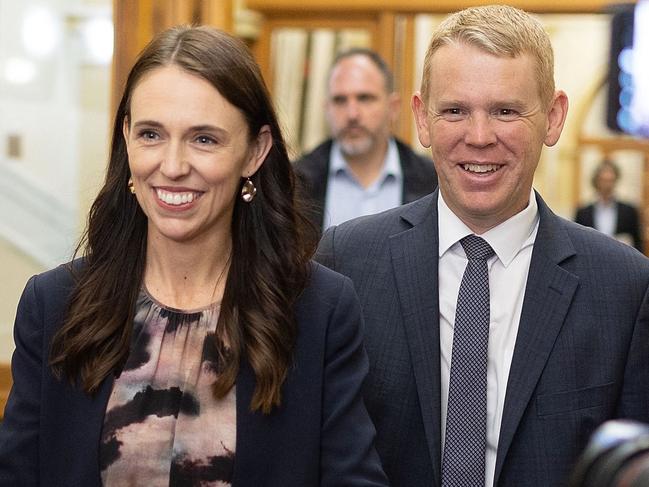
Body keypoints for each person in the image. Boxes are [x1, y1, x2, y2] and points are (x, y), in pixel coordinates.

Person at [0, 26, 388, 487]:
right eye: (151, 134)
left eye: (204, 139)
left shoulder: (319, 310)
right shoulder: (54, 304)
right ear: (126, 137)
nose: (173, 165)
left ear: (255, 151)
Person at [316, 5, 649, 487]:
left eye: (506, 111)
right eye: (454, 111)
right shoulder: (345, 262)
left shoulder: (624, 287)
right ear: (422, 119)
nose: (478, 137)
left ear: (553, 118)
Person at [294, 48, 437, 232]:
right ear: (326, 109)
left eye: (364, 98)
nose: (352, 114)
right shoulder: (294, 183)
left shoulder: (433, 181)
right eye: (340, 100)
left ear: (393, 107)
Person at [575, 159, 643, 252]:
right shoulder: (583, 212)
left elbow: (638, 242)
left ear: (616, 180)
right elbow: (577, 242)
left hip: (622, 261)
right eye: (604, 180)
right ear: (596, 181)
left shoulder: (629, 211)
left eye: (610, 180)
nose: (607, 185)